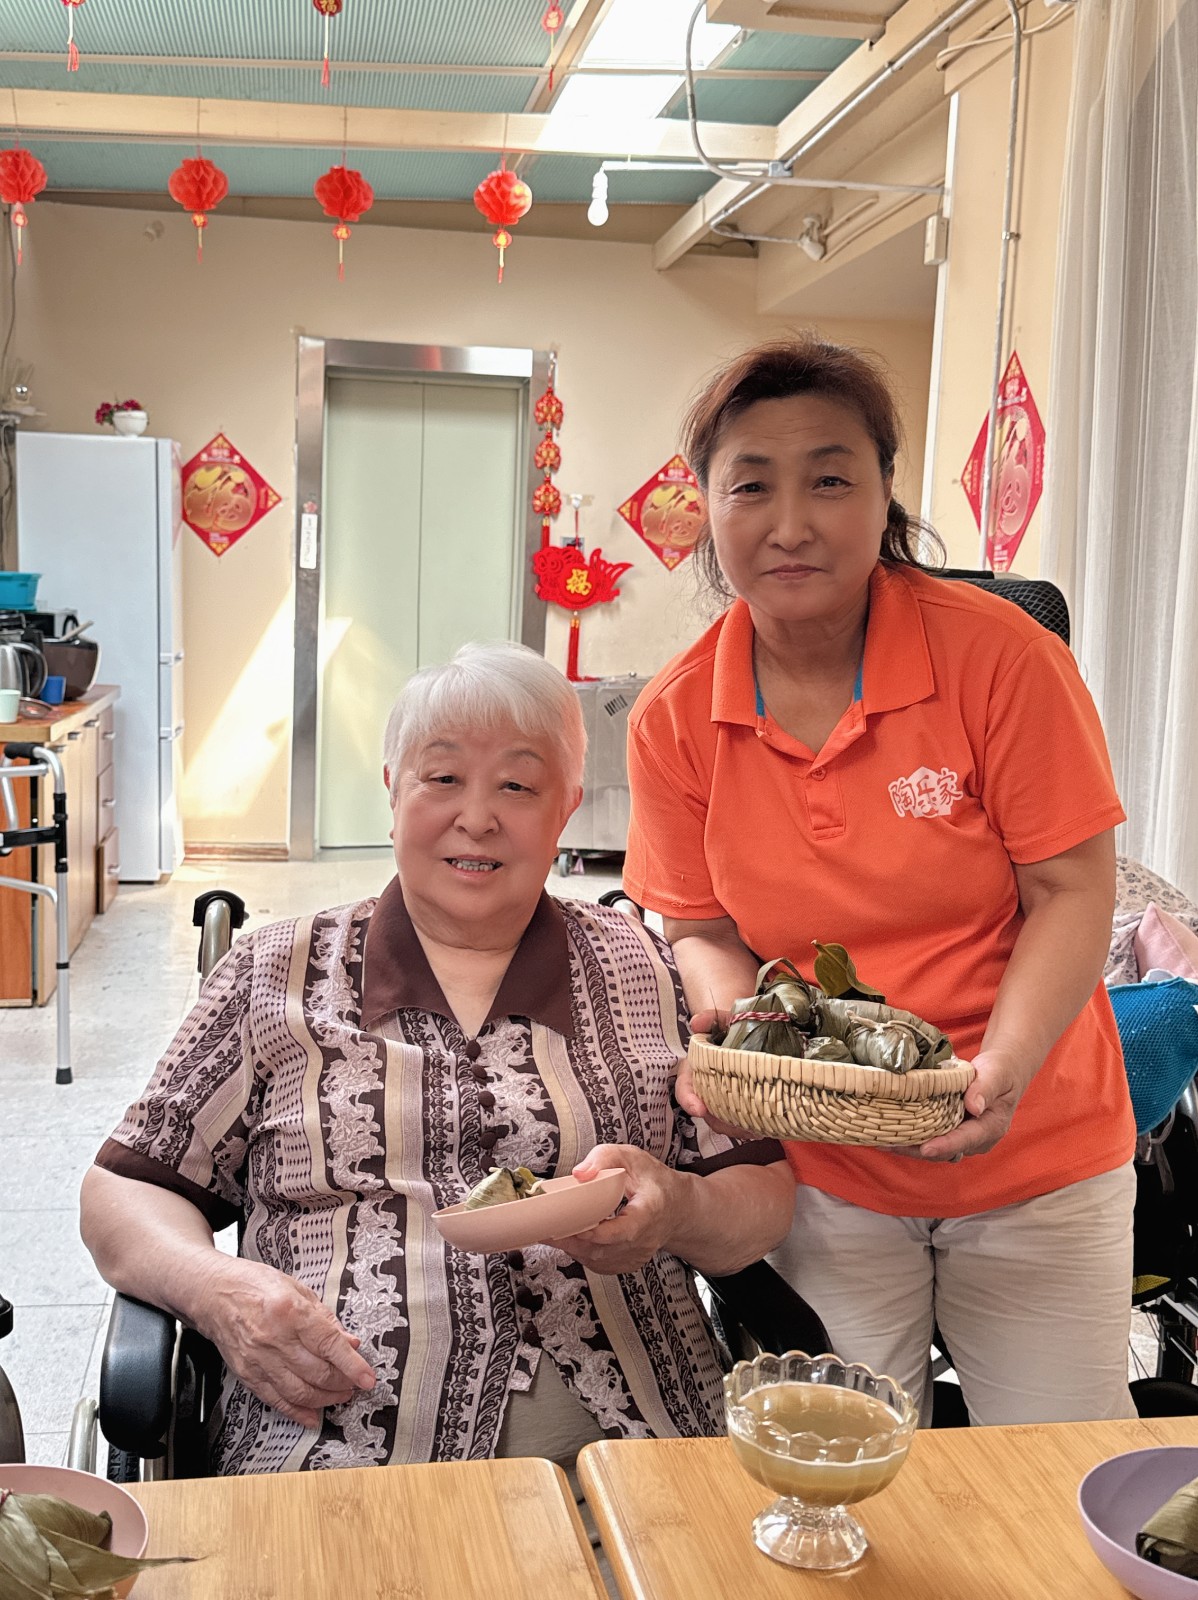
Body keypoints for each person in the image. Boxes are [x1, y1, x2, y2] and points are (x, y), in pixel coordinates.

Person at [80, 642, 795, 1476]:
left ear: (566, 807)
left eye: (518, 786)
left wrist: (678, 1209)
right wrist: (215, 1289)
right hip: (340, 1455)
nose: (478, 818)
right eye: (443, 777)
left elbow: (762, 1192)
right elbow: (125, 1189)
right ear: (393, 791)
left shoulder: (649, 968)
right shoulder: (274, 973)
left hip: (641, 1452)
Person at [623, 335, 1138, 1427]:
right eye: (750, 485)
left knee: (1053, 1475)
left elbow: (1070, 892)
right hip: (829, 1165)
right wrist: (739, 1032)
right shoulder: (674, 715)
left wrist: (1002, 1072)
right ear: (705, 505)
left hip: (1038, 1144)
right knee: (841, 1467)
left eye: (829, 480)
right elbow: (700, 925)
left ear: (884, 490)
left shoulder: (1001, 658)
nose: (790, 524)